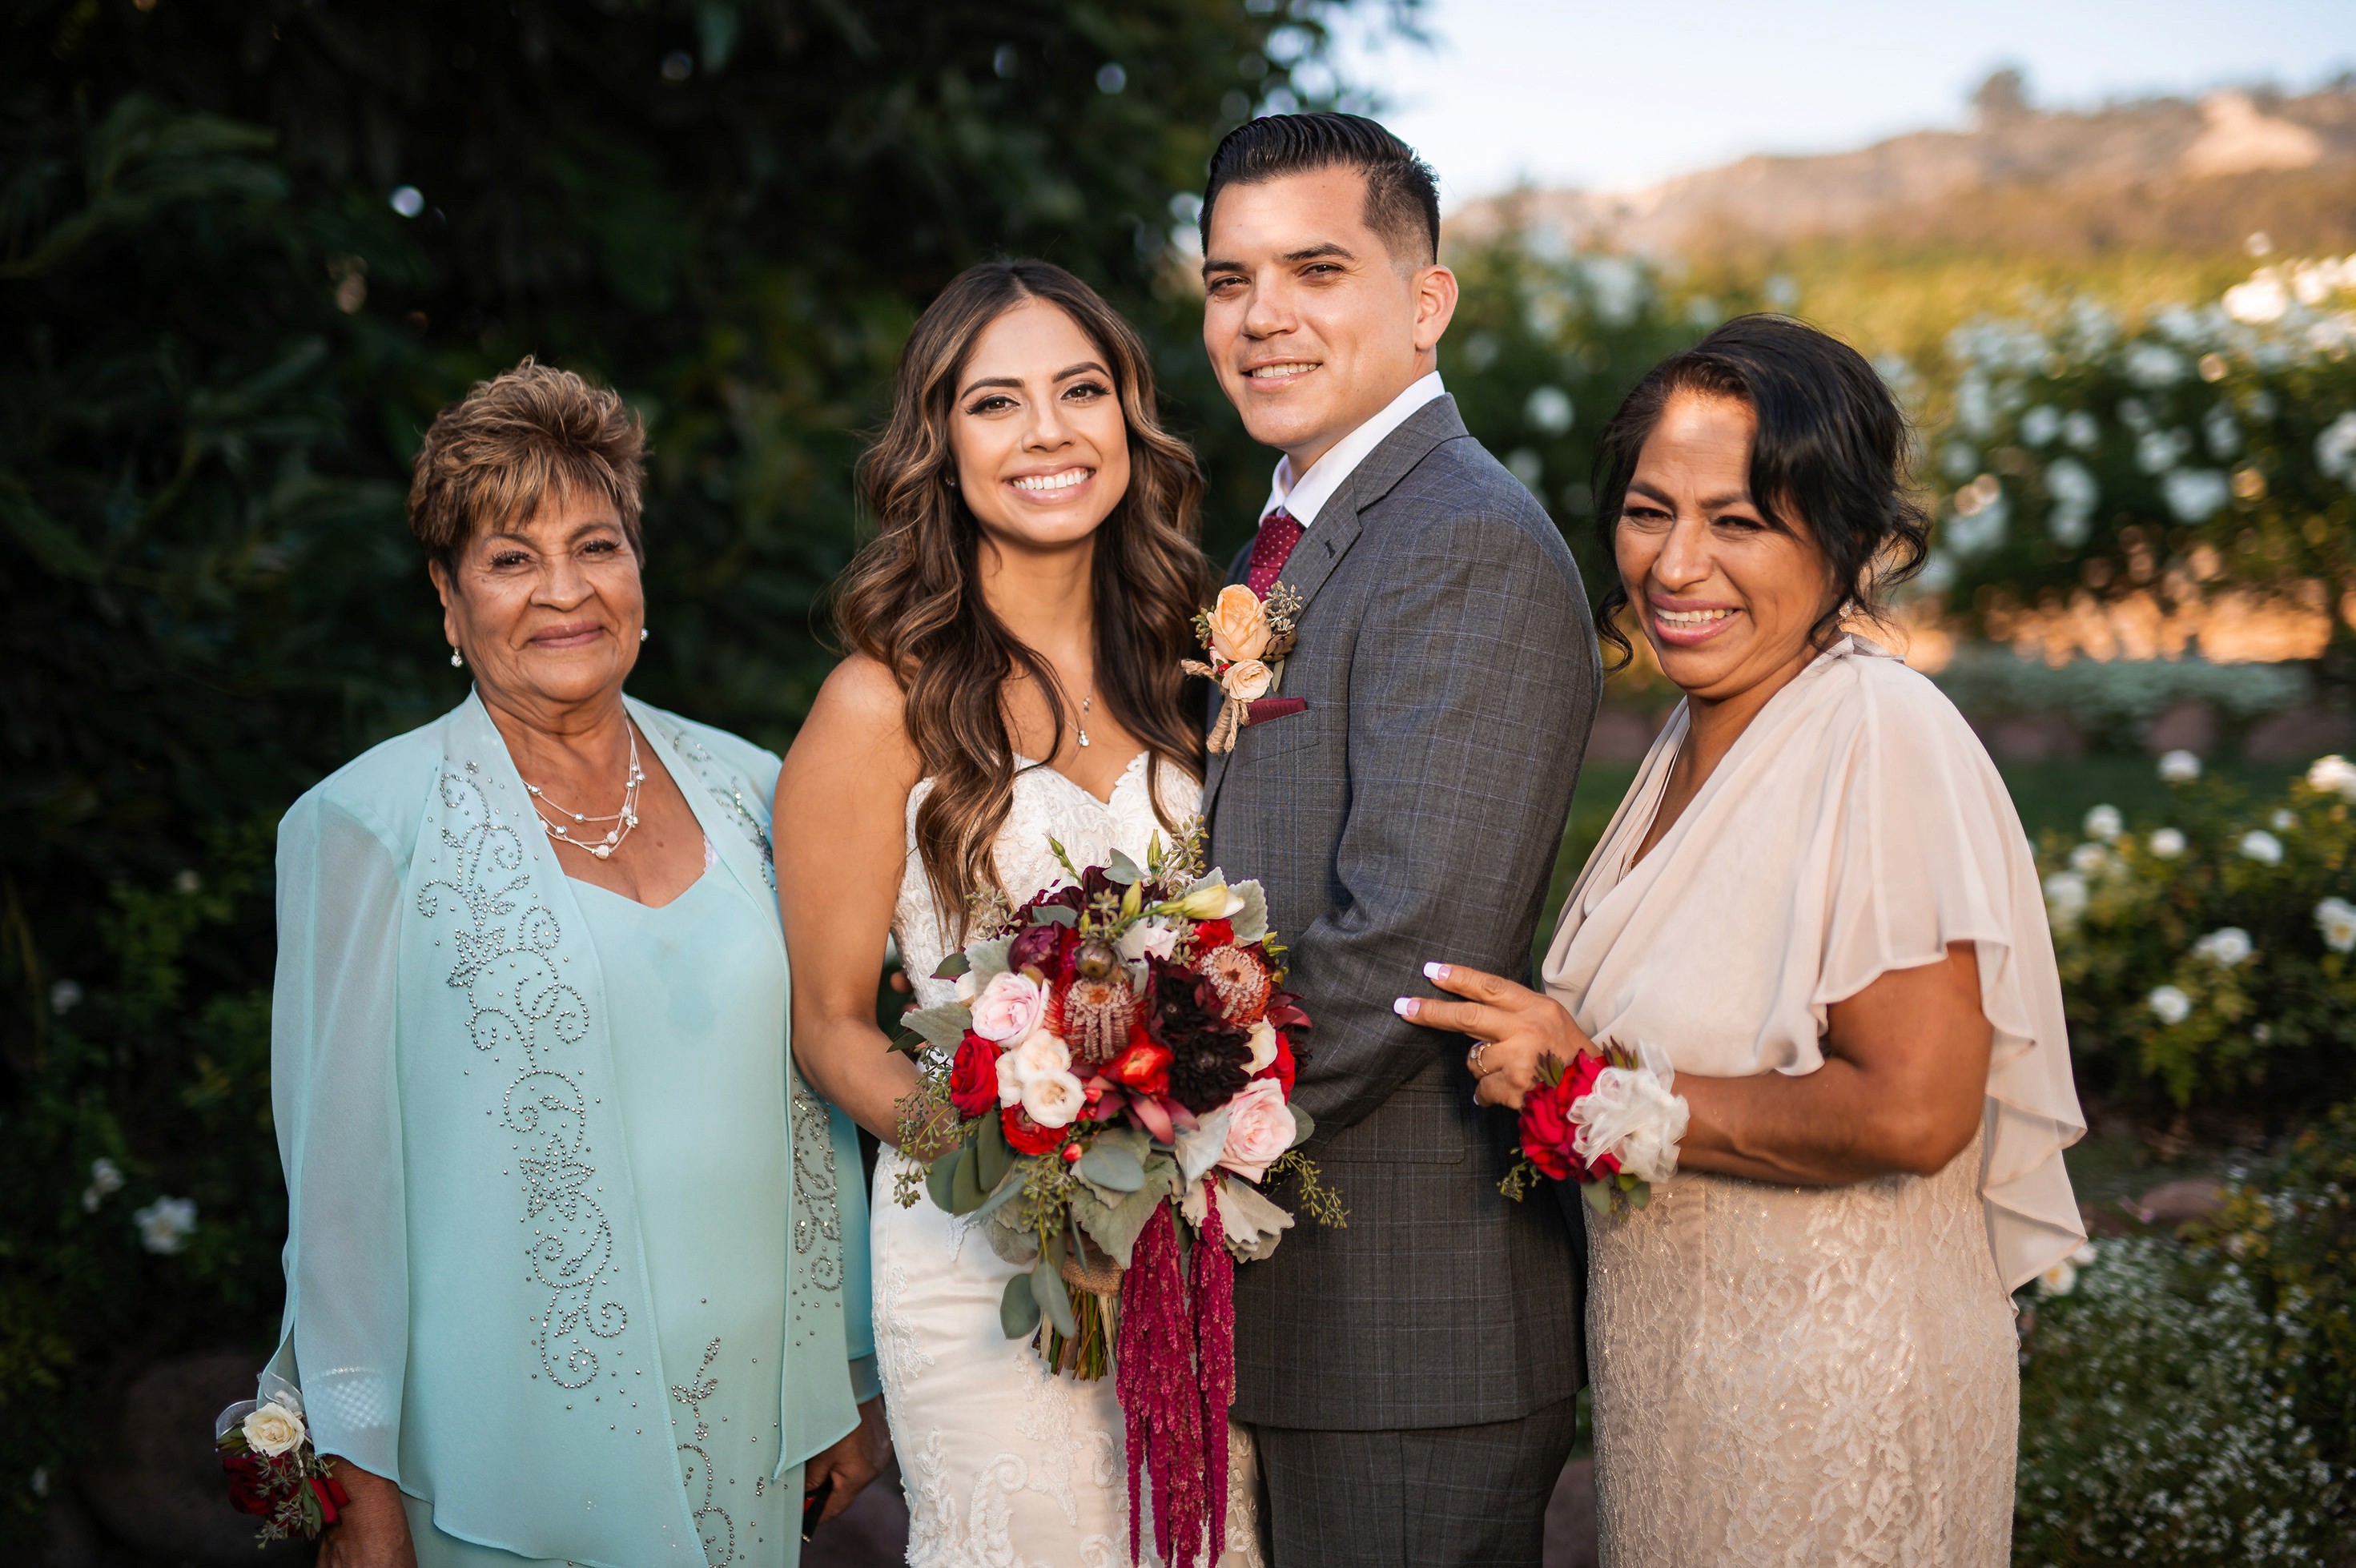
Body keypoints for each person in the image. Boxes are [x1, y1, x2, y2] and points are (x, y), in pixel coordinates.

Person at [1399, 316, 2089, 1565]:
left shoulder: (1878, 732)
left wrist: (1588, 1084)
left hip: (1831, 1404)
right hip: (1686, 1402)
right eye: (1648, 510)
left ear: (1846, 538)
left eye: (1739, 521)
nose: (1675, 563)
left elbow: (1913, 1110)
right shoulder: (1689, 736)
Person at [266, 361, 886, 1568]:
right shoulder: (362, 824)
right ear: (448, 603)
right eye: (509, 558)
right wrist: (355, 1479)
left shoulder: (764, 789)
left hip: (751, 1422)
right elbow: (337, 1191)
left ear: (639, 572)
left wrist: (849, 1365)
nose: (564, 592)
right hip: (499, 1449)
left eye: (595, 546)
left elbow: (823, 1088)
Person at [777, 259, 1264, 1566]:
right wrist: (1022, 1177)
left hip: (1191, 1249)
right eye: (997, 403)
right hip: (981, 1254)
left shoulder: (1198, 671)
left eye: (1081, 390)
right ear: (939, 446)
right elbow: (829, 1027)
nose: (1049, 431)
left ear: (1129, 418)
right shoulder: (877, 703)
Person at [1195, 113, 1598, 1566]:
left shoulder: (1460, 538)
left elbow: (1404, 950)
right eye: (1228, 280)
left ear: (1424, 300)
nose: (1262, 318)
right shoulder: (1287, 535)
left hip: (1402, 1335)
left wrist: (1153, 1139)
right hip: (1291, 1316)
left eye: (1314, 268)